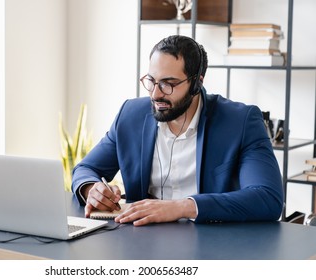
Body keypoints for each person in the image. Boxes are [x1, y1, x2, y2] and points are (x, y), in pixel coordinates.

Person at [71, 35, 283, 226]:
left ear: (196, 84)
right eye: (151, 81)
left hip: (210, 245)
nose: (155, 94)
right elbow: (85, 169)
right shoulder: (130, 115)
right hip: (139, 242)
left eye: (168, 84)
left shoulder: (240, 122)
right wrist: (92, 189)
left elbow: (267, 198)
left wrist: (181, 207)